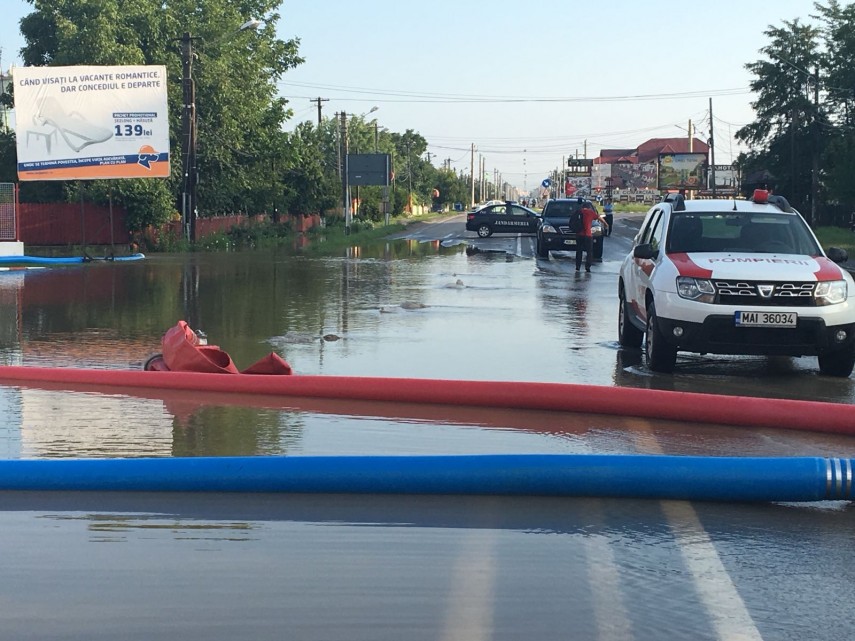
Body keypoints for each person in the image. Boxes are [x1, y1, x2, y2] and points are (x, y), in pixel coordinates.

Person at [576, 203, 609, 272]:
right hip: (588, 235)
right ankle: (587, 267)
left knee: (579, 251)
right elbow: (599, 218)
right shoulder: (591, 212)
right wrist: (606, 224)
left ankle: (578, 267)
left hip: (579, 235)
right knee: (589, 252)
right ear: (589, 207)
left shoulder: (578, 212)